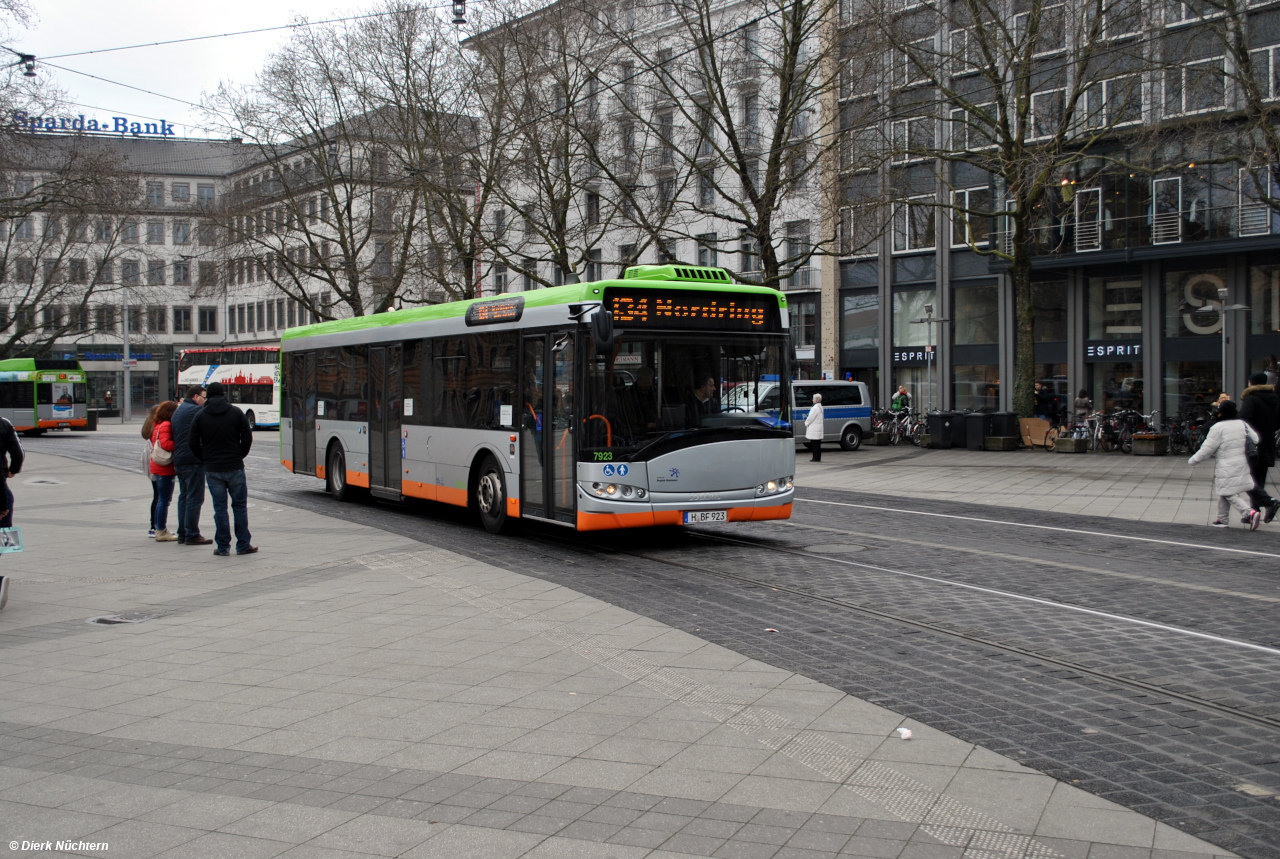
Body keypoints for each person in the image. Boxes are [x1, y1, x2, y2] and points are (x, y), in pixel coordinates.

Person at [189, 381, 256, 556]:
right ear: (223, 394)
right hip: (234, 466)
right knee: (239, 506)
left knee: (220, 508)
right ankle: (243, 545)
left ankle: (223, 547)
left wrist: (204, 458)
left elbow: (193, 442)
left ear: (209, 396)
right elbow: (247, 437)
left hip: (213, 468)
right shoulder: (235, 412)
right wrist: (240, 455)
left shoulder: (201, 415)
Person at [1188, 400, 1262, 530]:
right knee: (1225, 491)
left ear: (1221, 413)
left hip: (1226, 465)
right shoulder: (1242, 424)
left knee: (1228, 492)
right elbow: (1256, 439)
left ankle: (1249, 513)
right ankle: (1222, 520)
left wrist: (1193, 460)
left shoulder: (1218, 427)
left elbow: (1207, 449)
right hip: (1242, 463)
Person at [171, 385, 212, 546]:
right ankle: (192, 534)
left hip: (180, 459)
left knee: (184, 497)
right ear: (196, 397)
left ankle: (183, 533)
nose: (205, 400)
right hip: (193, 460)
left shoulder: (179, 410)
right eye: (204, 397)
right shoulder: (195, 411)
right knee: (195, 498)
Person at [1240, 371, 1280, 523]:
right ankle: (1254, 513)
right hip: (1267, 443)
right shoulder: (1275, 399)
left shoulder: (1251, 399)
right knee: (1259, 478)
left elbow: (1243, 419)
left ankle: (1269, 502)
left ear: (1251, 383)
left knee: (1246, 479)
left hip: (1252, 444)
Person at [0, 415, 25, 611]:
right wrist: (13, 469)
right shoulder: (4, 423)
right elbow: (18, 453)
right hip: (1, 490)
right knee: (3, 534)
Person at [149, 400, 179, 542]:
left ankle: (159, 528)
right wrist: (179, 443)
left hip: (157, 466)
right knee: (164, 500)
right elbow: (166, 444)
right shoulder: (166, 424)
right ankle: (161, 531)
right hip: (164, 467)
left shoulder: (158, 424)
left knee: (161, 499)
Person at [141, 404, 161, 538]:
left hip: (149, 459)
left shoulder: (148, 424)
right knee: (160, 497)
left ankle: (153, 526)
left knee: (157, 495)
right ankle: (155, 526)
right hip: (157, 460)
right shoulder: (157, 425)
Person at [804, 392, 825, 462]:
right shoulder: (821, 407)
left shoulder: (815, 408)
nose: (812, 400)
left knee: (814, 444)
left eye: (813, 399)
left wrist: (806, 423)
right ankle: (818, 457)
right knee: (818, 444)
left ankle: (815, 458)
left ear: (816, 400)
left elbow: (811, 417)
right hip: (818, 428)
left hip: (814, 428)